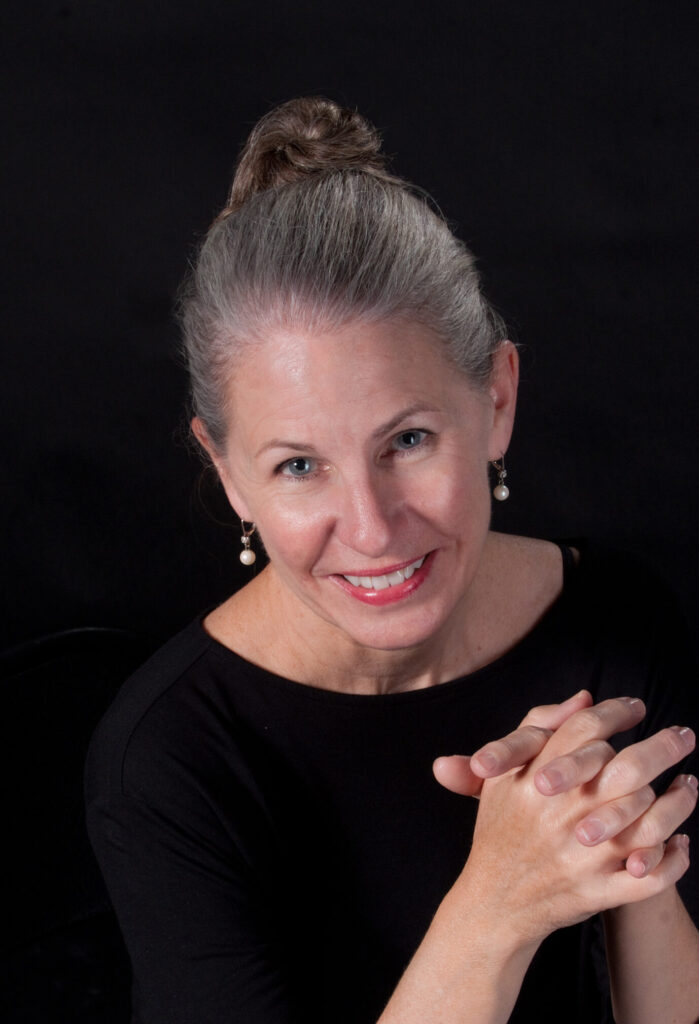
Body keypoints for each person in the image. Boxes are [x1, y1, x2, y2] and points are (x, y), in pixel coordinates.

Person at [85, 97, 699, 1024]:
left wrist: (619, 841)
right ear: (228, 474)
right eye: (298, 466)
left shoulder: (616, 621)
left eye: (407, 440)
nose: (370, 528)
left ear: (494, 401)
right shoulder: (167, 764)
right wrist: (494, 911)